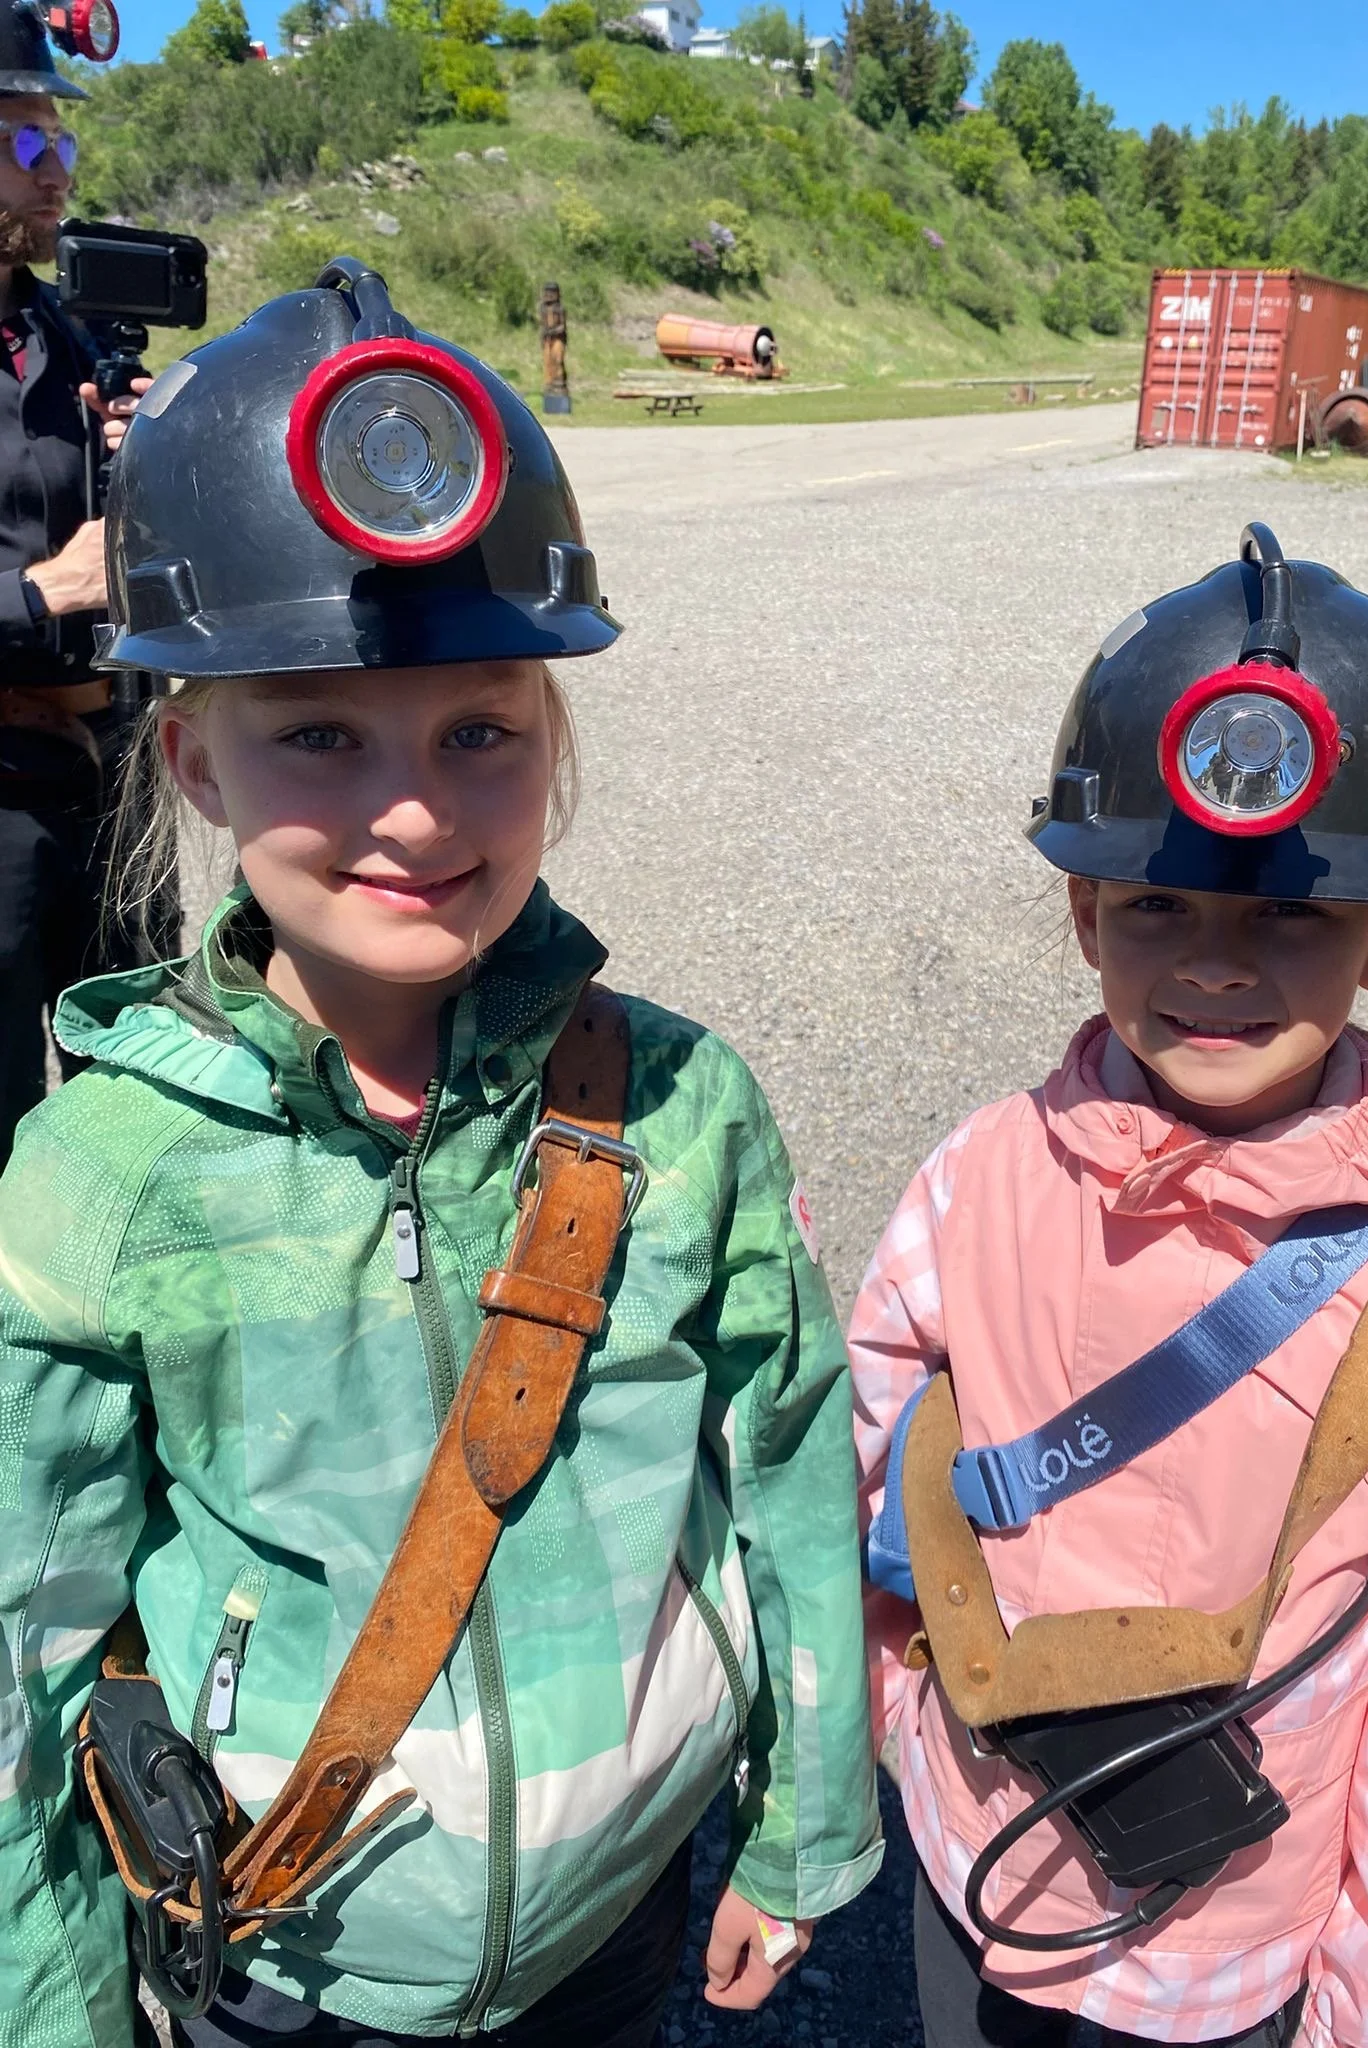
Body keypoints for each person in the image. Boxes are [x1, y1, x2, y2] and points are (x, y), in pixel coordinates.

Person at [0, 262, 882, 2047]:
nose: (411, 808)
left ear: (553, 743)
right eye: (318, 734)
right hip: (286, 1956)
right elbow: (29, 1636)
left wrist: (801, 1829)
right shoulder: (103, 1174)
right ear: (193, 763)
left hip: (618, 1912)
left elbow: (788, 1468)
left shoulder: (682, 1104)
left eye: (480, 731)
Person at [850, 525, 1368, 2048]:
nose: (1217, 965)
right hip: (972, 1868)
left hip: (1221, 1961)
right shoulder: (980, 1178)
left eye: (1288, 913)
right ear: (1086, 915)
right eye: (1160, 905)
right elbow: (873, 1477)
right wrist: (903, 1718)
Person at [0, 2, 152, 1166]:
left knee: (136, 1101)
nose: (57, 171)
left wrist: (142, 446)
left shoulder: (64, 332)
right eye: (25, 142)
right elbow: (57, 574)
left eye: (63, 141)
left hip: (107, 782)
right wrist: (42, 592)